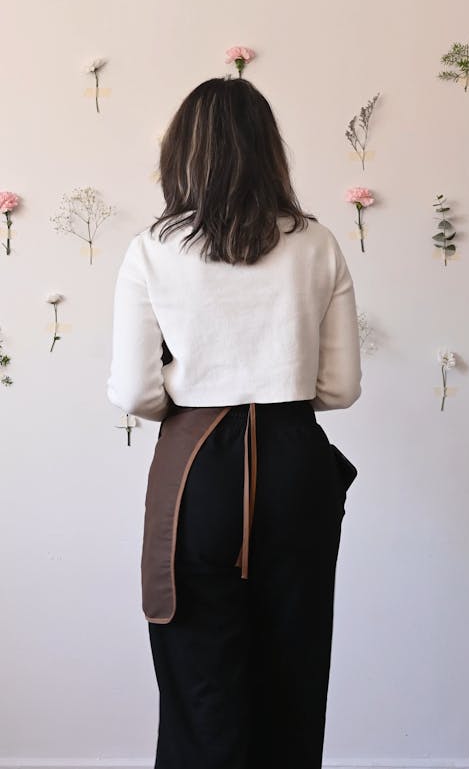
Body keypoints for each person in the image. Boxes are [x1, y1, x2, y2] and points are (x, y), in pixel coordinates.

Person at [106, 75, 362, 769]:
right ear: (269, 151)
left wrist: (193, 393)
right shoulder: (318, 244)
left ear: (184, 153)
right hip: (295, 465)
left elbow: (132, 389)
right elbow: (339, 388)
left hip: (198, 471)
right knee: (293, 674)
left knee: (200, 686)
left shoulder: (152, 249)